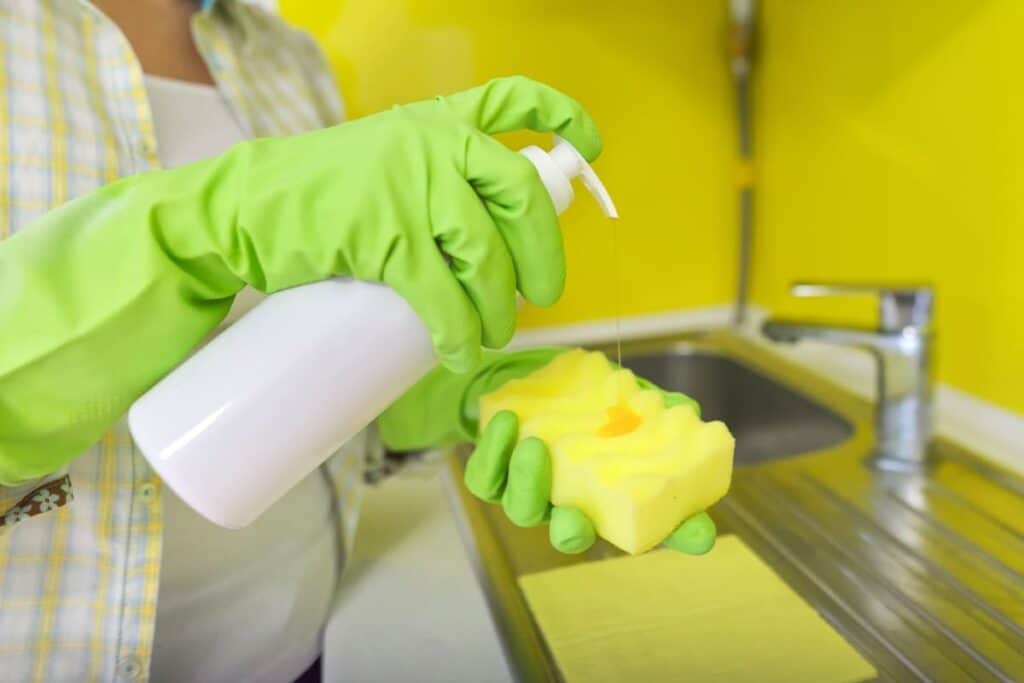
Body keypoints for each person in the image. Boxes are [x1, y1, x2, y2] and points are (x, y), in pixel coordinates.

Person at [0, 1, 716, 681]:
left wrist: (469, 389)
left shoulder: (288, 59)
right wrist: (202, 230)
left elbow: (322, 356)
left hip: (306, 643)